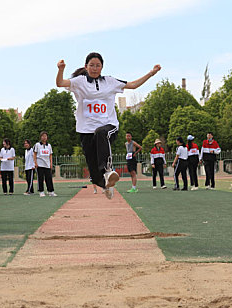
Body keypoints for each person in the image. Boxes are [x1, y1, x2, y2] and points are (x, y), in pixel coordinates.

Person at [56, 52, 161, 200]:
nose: (94, 68)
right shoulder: (79, 82)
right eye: (91, 65)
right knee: (94, 174)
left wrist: (151, 73)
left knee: (101, 133)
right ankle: (106, 184)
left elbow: (132, 85)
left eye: (98, 65)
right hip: (86, 130)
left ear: (102, 67)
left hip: (108, 125)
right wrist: (60, 69)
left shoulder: (110, 81)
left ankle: (108, 170)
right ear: (86, 67)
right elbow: (60, 83)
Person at [33, 131, 56, 197]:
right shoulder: (37, 145)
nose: (44, 137)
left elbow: (50, 155)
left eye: (45, 136)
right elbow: (34, 154)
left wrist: (51, 163)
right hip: (40, 164)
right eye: (43, 136)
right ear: (40, 137)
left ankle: (50, 191)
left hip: (47, 164)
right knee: (40, 178)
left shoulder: (49, 145)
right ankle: (41, 191)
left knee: (49, 178)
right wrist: (35, 162)